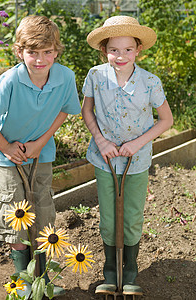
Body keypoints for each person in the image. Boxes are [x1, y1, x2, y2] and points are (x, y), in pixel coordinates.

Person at [0, 15, 81, 296]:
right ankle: (22, 283)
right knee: (16, 217)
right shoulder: (11, 80)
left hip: (40, 155)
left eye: (47, 52)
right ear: (20, 51)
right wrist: (7, 148)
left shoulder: (65, 77)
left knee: (43, 213)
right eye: (32, 52)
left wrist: (40, 143)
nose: (40, 60)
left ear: (56, 51)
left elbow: (66, 110)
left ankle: (42, 280)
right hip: (9, 160)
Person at [82, 15, 173, 297]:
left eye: (127, 50)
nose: (120, 56)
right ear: (104, 50)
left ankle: (130, 274)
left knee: (132, 216)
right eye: (114, 50)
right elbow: (87, 111)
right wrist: (101, 140)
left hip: (137, 160)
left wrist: (137, 143)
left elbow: (166, 120)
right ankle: (110, 274)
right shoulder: (96, 76)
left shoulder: (150, 82)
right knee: (108, 217)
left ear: (138, 50)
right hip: (105, 158)